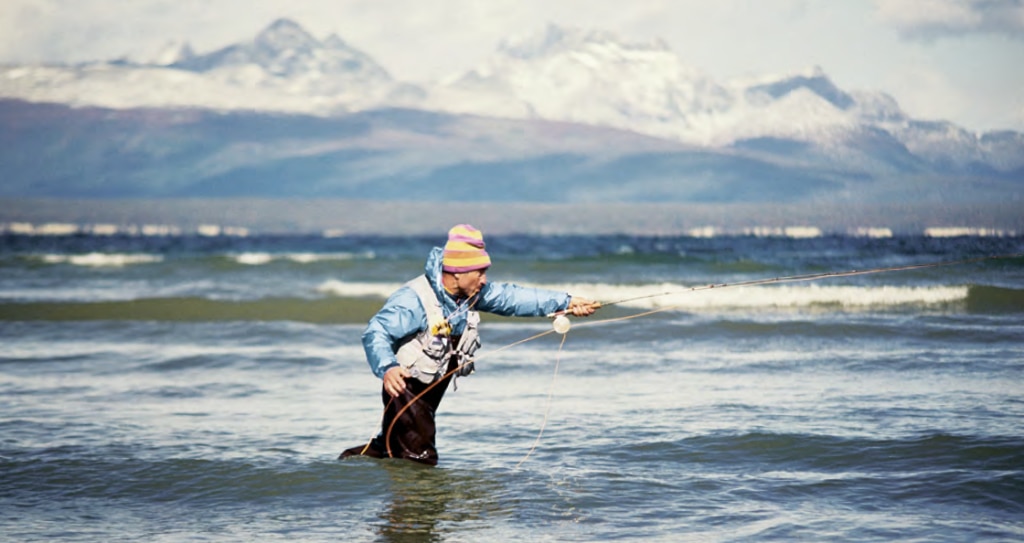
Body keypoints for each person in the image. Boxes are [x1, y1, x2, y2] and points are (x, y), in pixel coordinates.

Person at [340, 224, 598, 465]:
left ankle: (345, 469)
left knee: (389, 448)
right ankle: (418, 511)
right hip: (405, 388)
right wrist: (388, 367)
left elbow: (514, 297)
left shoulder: (470, 293)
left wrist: (567, 302)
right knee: (419, 457)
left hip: (430, 390)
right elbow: (376, 331)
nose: (484, 279)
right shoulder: (414, 300)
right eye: (480, 272)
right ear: (457, 273)